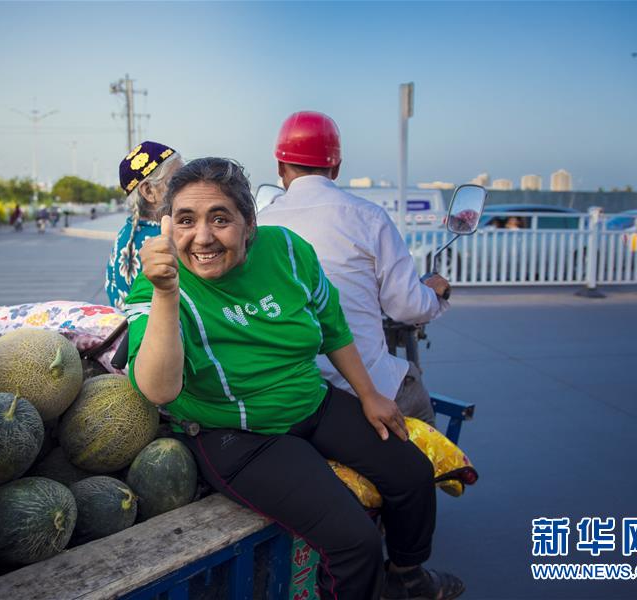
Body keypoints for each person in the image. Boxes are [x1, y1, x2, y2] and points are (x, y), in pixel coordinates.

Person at [125, 157, 464, 600]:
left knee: (412, 473)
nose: (203, 237)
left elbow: (333, 326)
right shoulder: (157, 287)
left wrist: (369, 394)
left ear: (250, 225)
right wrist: (167, 292)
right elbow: (158, 389)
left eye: (221, 219)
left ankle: (406, 578)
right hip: (238, 435)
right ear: (169, 227)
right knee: (354, 541)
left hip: (311, 401)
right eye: (186, 221)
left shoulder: (286, 249)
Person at [257, 111, 449, 425]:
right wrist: (435, 294)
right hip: (367, 390)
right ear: (336, 167)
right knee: (422, 418)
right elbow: (406, 306)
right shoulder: (369, 217)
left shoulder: (259, 226)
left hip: (288, 394)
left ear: (280, 167)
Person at [104, 140, 183, 309]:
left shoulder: (127, 232)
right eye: (178, 180)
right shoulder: (164, 239)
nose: (188, 186)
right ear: (148, 191)